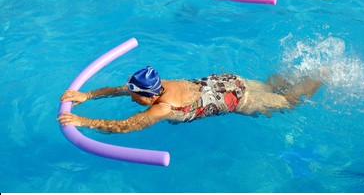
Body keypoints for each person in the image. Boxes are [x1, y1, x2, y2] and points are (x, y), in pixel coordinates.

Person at [58, 66, 321, 133]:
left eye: (134, 96)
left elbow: (124, 126)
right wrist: (87, 95)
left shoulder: (161, 109)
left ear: (150, 97)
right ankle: (299, 70)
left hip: (234, 97)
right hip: (228, 79)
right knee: (267, 86)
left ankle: (322, 76)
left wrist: (83, 121)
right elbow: (119, 89)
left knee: (287, 104)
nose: (130, 97)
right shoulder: (156, 86)